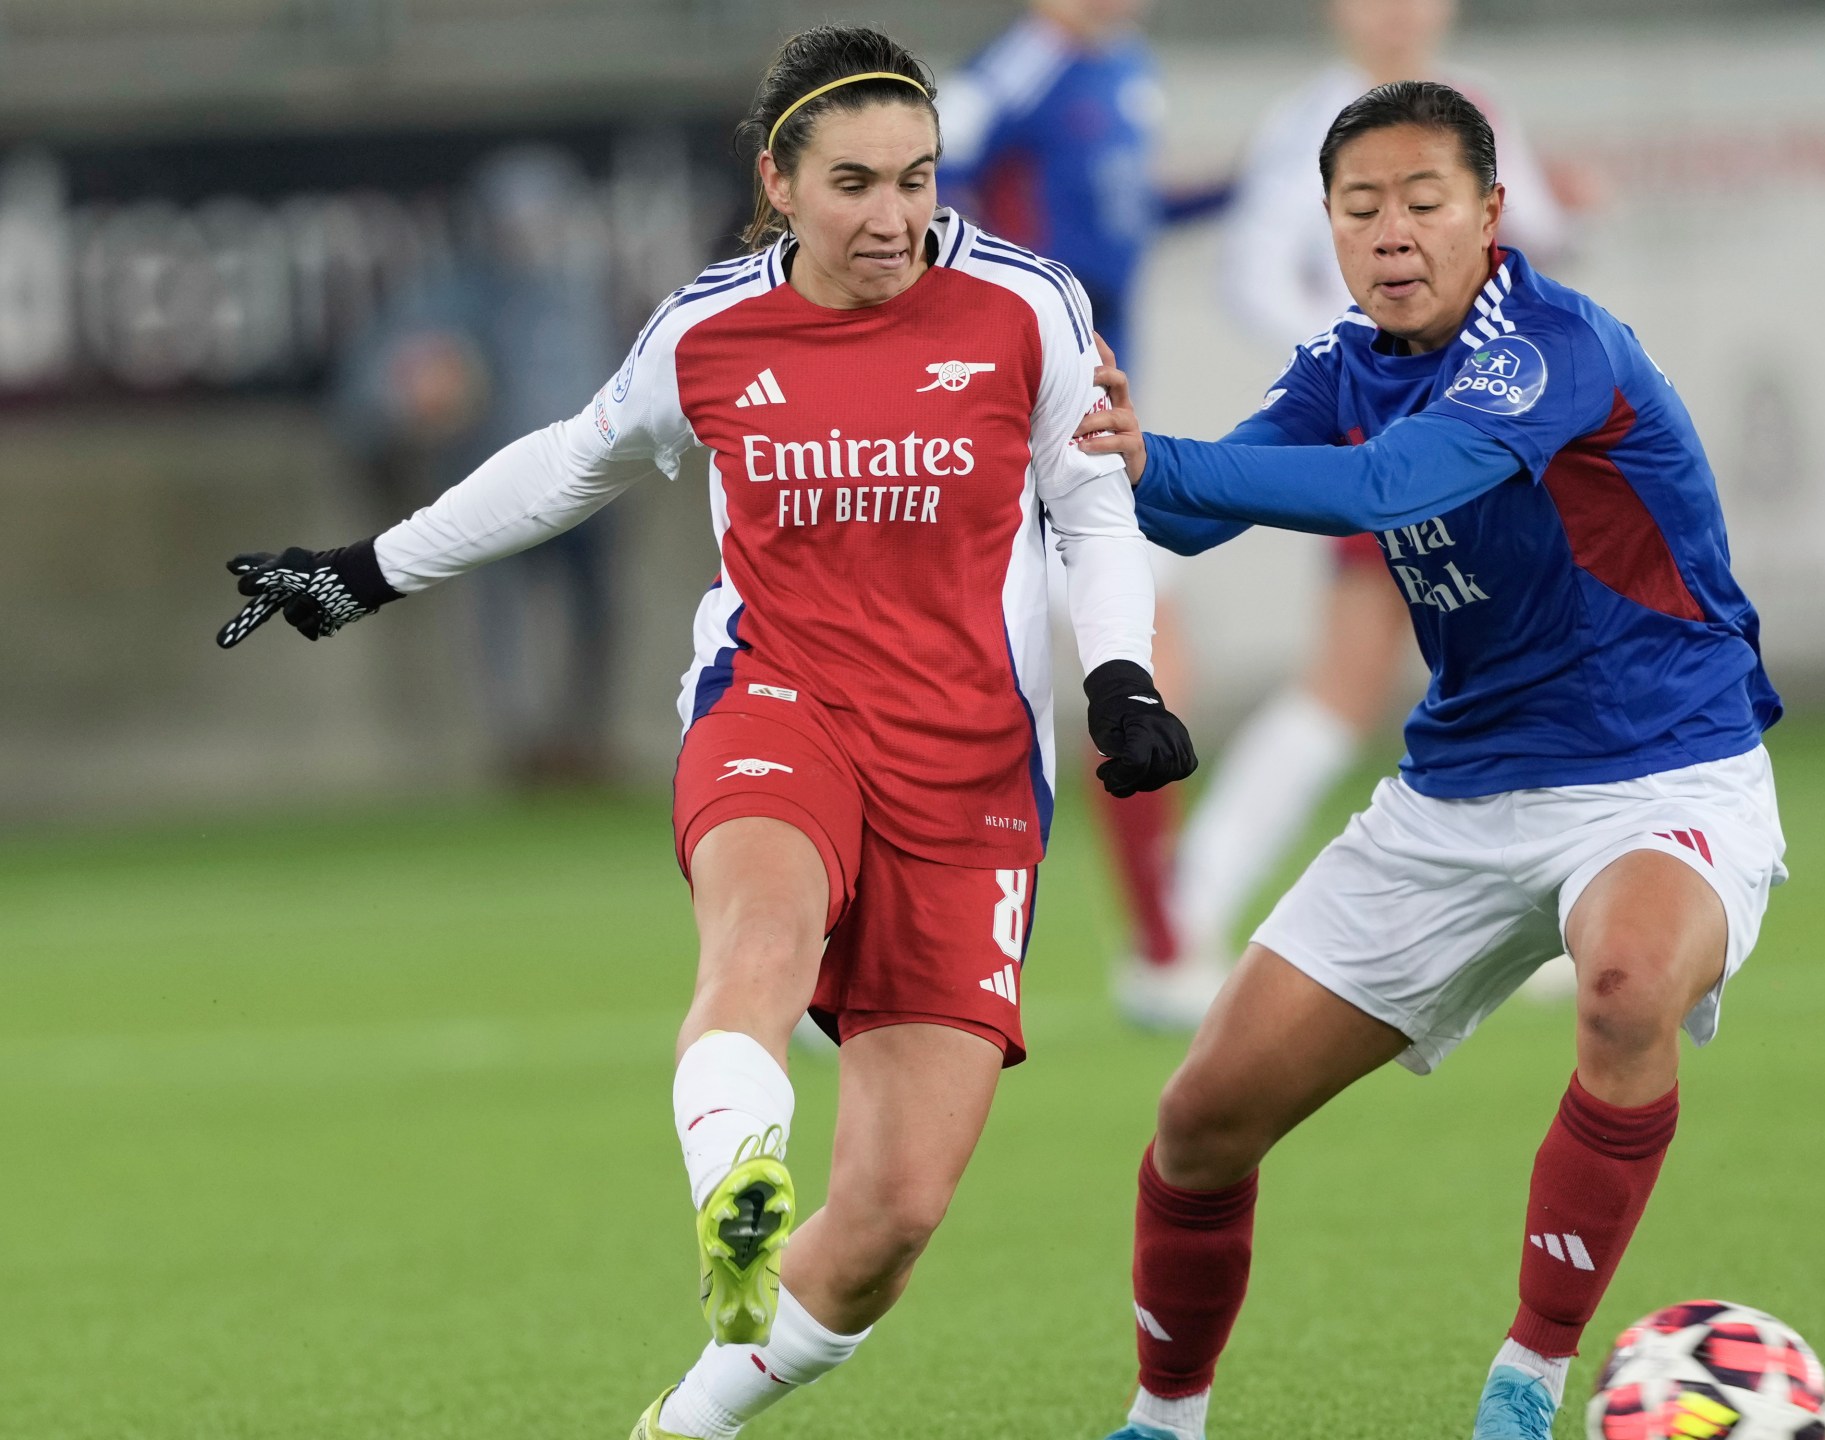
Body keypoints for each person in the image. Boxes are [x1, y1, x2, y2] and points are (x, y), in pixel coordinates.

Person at [213, 26, 1196, 1440]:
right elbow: (570, 462)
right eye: (853, 182)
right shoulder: (713, 327)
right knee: (758, 944)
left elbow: (1093, 509)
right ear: (778, 183)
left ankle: (686, 1420)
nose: (893, 216)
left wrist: (1121, 679)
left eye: (917, 180)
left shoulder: (1030, 308)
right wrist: (360, 572)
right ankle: (738, 1182)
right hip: (776, 706)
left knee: (892, 1223)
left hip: (971, 768)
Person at [1072, 81, 1786, 1440]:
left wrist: (1158, 457)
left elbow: (1387, 489)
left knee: (1625, 985)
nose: (1393, 233)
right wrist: (1088, 443)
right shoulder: (1345, 365)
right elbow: (1197, 509)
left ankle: (1527, 1381)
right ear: (1330, 231)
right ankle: (1163, 1422)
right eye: (1361, 209)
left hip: (1660, 772)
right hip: (1457, 797)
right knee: (1202, 1119)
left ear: (1490, 216)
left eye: (1424, 202)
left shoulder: (1550, 346)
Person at [1173, 0, 1582, 985]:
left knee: (1514, 660)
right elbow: (1254, 272)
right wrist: (1373, 349)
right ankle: (1189, 903)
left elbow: (1539, 243)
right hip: (1401, 434)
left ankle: (1546, 914)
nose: (1397, 14)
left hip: (1492, 427)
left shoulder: (1477, 110)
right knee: (1356, 675)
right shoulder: (1309, 123)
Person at [935, 0, 1226, 1029]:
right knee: (988, 686)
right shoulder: (1024, 64)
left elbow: (1120, 213)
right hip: (1018, 411)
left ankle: (1159, 947)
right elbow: (930, 176)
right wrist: (995, 325)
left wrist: (1236, 192)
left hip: (1093, 402)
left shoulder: (1116, 66)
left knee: (1140, 665)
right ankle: (1156, 953)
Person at [334, 145, 625, 787]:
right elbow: (377, 384)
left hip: (590, 493)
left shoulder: (583, 294)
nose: (532, 239)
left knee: (593, 612)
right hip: (501, 490)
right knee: (504, 618)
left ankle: (584, 740)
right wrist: (411, 396)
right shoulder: (453, 295)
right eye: (517, 224)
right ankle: (519, 746)